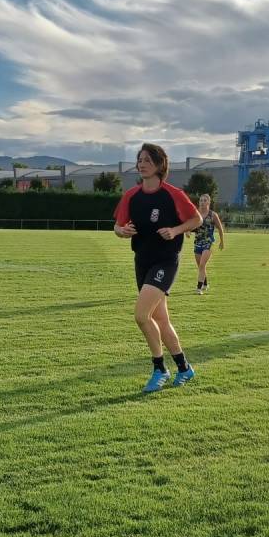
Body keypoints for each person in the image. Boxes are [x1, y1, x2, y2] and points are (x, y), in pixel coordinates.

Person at [114, 143, 203, 392]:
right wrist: (122, 231)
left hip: (166, 261)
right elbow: (118, 227)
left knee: (142, 316)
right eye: (139, 160)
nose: (141, 164)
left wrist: (175, 230)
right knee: (160, 320)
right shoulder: (131, 195)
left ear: (159, 165)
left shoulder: (173, 194)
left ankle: (159, 368)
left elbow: (197, 219)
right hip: (142, 261)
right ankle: (184, 368)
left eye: (147, 160)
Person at [190, 193, 225, 294]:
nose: (202, 202)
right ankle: (205, 284)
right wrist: (187, 231)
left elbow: (220, 228)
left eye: (205, 200)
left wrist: (222, 242)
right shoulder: (195, 214)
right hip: (197, 242)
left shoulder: (213, 215)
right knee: (201, 266)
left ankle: (199, 288)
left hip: (209, 242)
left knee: (202, 264)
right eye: (201, 200)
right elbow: (189, 224)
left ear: (208, 202)